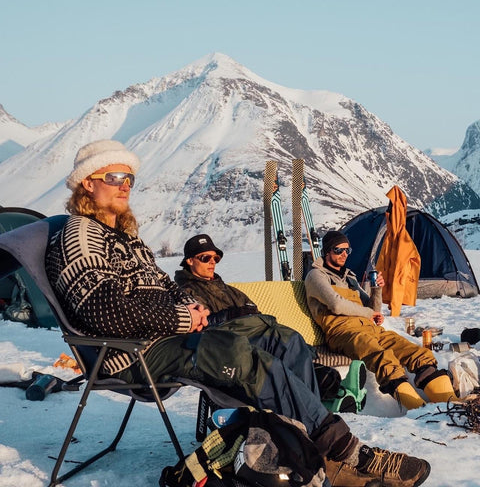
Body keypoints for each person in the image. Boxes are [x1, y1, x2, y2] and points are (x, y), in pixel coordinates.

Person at [45, 140, 431, 487]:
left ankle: (309, 452)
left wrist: (189, 308)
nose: (124, 184)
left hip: (168, 336)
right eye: (113, 176)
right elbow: (103, 308)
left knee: (286, 344)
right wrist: (184, 318)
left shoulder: (125, 237)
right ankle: (346, 453)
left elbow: (164, 287)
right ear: (87, 184)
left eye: (129, 176)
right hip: (132, 352)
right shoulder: (80, 235)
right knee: (245, 359)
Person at [174, 233, 366, 413]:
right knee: (290, 346)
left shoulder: (225, 288)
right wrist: (230, 314)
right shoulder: (185, 292)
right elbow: (198, 325)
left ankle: (326, 396)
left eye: (215, 258)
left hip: (254, 332)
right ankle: (319, 407)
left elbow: (252, 308)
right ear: (190, 261)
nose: (212, 263)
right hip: (229, 343)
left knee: (293, 342)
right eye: (205, 258)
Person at [305, 230, 459, 410]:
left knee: (417, 353)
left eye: (347, 250)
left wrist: (376, 289)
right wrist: (367, 314)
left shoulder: (350, 278)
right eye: (338, 250)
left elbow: (373, 311)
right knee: (384, 360)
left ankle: (450, 402)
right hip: (343, 332)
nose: (344, 255)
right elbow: (336, 305)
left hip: (370, 329)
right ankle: (419, 410)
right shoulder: (316, 276)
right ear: (327, 251)